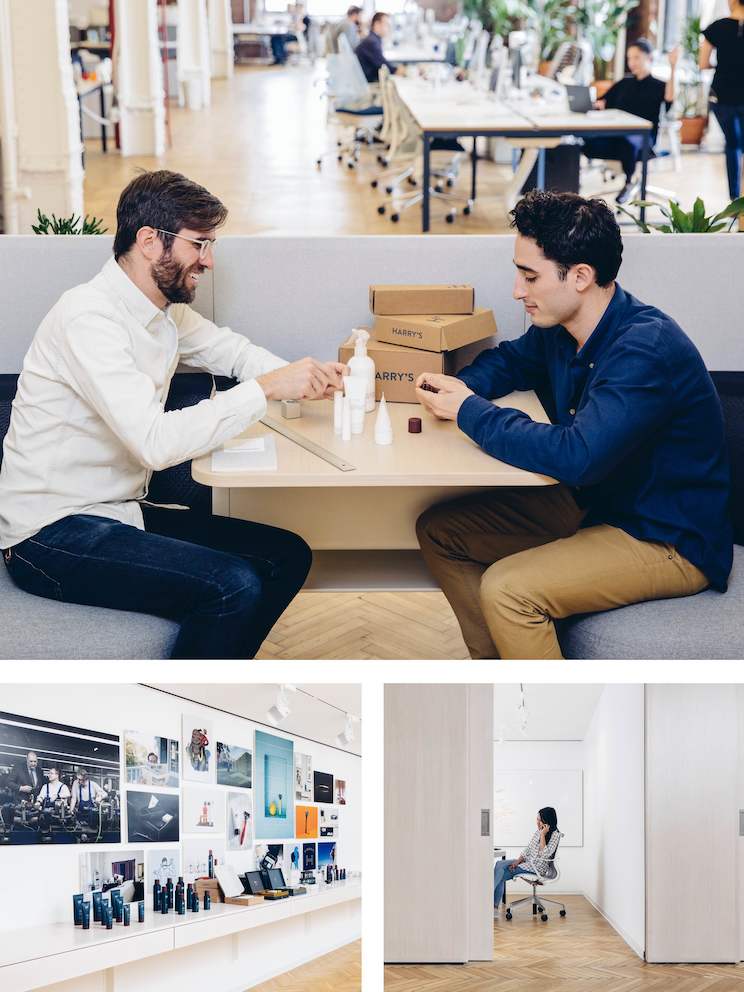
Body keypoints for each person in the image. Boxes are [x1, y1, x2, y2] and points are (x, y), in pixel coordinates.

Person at [0, 170, 345, 660]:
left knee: (285, 556)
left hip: (115, 512)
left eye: (211, 245)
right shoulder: (89, 319)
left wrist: (308, 379)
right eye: (198, 244)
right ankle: (188, 693)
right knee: (232, 586)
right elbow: (155, 444)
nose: (207, 260)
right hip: (50, 535)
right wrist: (266, 389)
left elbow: (234, 353)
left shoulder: (163, 311)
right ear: (148, 241)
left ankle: (218, 671)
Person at [415, 190, 732, 660]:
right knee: (441, 532)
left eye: (530, 276)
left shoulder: (644, 349)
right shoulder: (561, 327)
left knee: (508, 589)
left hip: (664, 537)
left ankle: (539, 708)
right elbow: (509, 363)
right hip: (598, 505)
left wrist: (469, 411)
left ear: (580, 276)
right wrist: (454, 388)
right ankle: (500, 669)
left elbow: (577, 456)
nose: (517, 291)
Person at [582, 38, 678, 203]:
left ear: (649, 58)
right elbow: (603, 101)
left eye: (636, 57)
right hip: (616, 136)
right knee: (586, 143)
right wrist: (597, 104)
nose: (632, 62)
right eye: (629, 58)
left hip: (644, 139)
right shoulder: (624, 83)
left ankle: (628, 182)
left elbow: (670, 97)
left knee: (628, 142)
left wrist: (673, 66)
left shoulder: (659, 85)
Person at [700, 0, 744, 200]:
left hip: (722, 95)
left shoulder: (717, 27)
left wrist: (720, 66)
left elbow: (703, 63)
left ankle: (735, 198)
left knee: (732, 144)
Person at [494, 808, 560, 911]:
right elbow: (528, 849)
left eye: (540, 820)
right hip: (528, 863)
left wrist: (543, 834)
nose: (537, 822)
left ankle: (492, 906)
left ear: (547, 820)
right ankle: (491, 902)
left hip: (537, 867)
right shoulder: (539, 831)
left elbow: (545, 855)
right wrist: (517, 861)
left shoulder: (555, 835)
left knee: (501, 874)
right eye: (537, 819)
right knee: (499, 864)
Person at [355, 12, 400, 83]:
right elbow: (385, 67)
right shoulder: (371, 42)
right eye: (387, 25)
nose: (389, 28)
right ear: (377, 24)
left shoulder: (373, 39)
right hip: (370, 83)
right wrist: (405, 71)